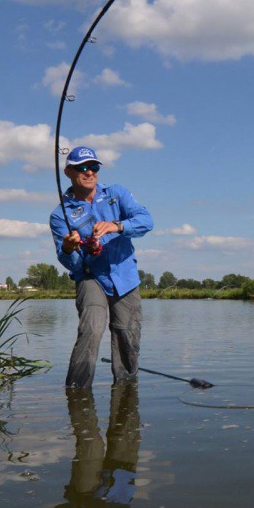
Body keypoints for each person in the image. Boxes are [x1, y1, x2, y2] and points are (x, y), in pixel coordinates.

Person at [50, 146, 153, 389]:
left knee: (127, 335)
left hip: (124, 274)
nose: (89, 172)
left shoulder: (117, 194)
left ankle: (126, 392)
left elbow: (146, 221)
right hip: (90, 277)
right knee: (92, 329)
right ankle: (77, 391)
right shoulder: (59, 215)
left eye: (93, 167)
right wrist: (67, 248)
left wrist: (116, 225)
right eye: (82, 167)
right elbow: (69, 262)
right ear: (68, 172)